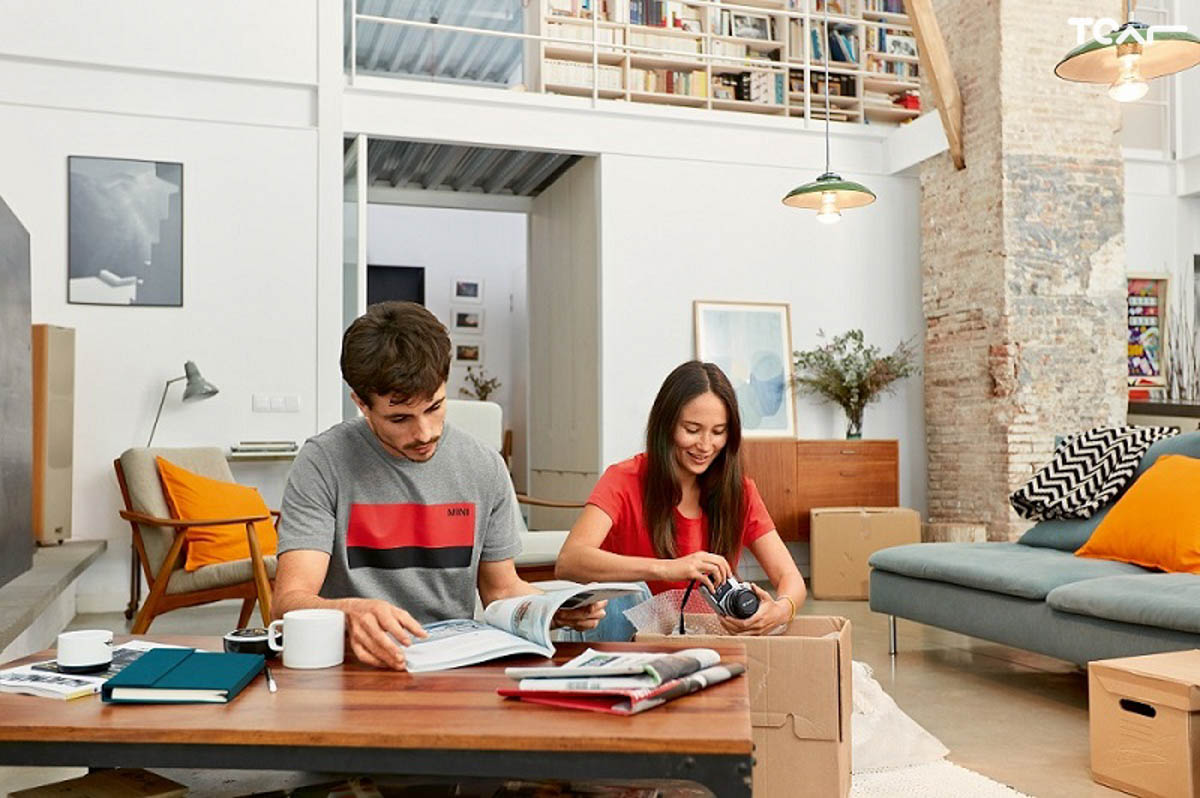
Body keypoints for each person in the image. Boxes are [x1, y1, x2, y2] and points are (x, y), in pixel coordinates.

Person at [273, 301, 605, 670]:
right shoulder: (323, 462)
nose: (424, 433)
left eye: (434, 407)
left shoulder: (483, 465)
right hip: (354, 664)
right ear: (362, 404)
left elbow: (501, 589)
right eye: (400, 418)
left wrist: (552, 609)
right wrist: (347, 613)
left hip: (454, 661)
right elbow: (288, 601)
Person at [556, 360, 806, 638]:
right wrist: (668, 569)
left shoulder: (740, 491)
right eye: (692, 429)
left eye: (718, 432)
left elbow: (790, 577)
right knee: (627, 594)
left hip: (696, 639)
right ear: (666, 424)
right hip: (621, 635)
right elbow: (569, 560)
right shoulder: (623, 479)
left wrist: (780, 610)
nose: (705, 445)